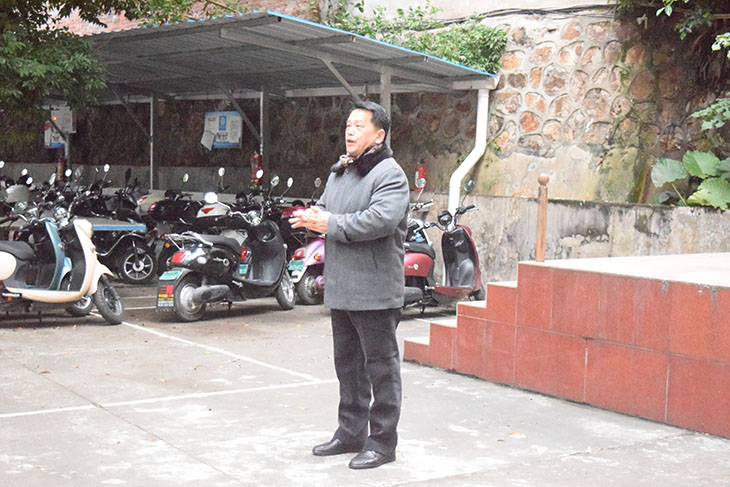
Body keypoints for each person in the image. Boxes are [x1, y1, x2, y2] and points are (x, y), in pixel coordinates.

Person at [289, 101, 410, 470]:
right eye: (348, 125)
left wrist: (329, 223)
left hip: (375, 289)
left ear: (379, 135)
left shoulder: (390, 175)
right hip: (342, 286)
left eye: (359, 125)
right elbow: (326, 208)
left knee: (381, 369)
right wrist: (311, 216)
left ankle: (383, 443)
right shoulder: (340, 172)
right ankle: (350, 432)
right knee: (349, 367)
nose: (350, 131)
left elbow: (378, 221)